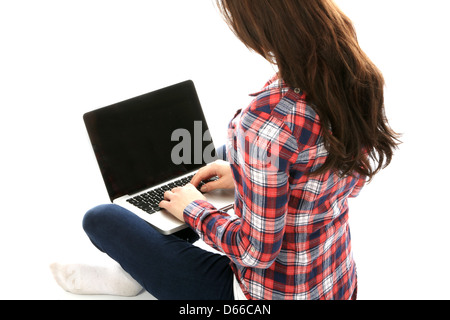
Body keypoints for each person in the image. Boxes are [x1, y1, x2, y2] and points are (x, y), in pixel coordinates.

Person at [51, 0, 399, 300]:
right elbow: (343, 182)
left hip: (259, 293)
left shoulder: (265, 124)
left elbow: (255, 251)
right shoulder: (355, 79)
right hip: (335, 282)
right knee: (220, 156)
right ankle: (145, 258)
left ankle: (134, 273)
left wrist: (195, 210)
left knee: (101, 219)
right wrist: (248, 181)